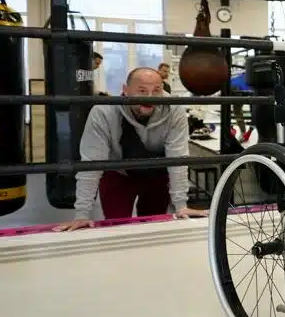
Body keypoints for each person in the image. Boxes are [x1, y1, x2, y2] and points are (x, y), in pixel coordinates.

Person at [56, 67, 205, 230]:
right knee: (117, 226)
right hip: (118, 173)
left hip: (156, 173)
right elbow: (91, 164)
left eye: (156, 90)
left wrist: (181, 205)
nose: (150, 98)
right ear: (125, 90)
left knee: (154, 226)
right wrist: (82, 215)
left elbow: (178, 160)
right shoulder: (104, 112)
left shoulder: (174, 110)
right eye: (142, 90)